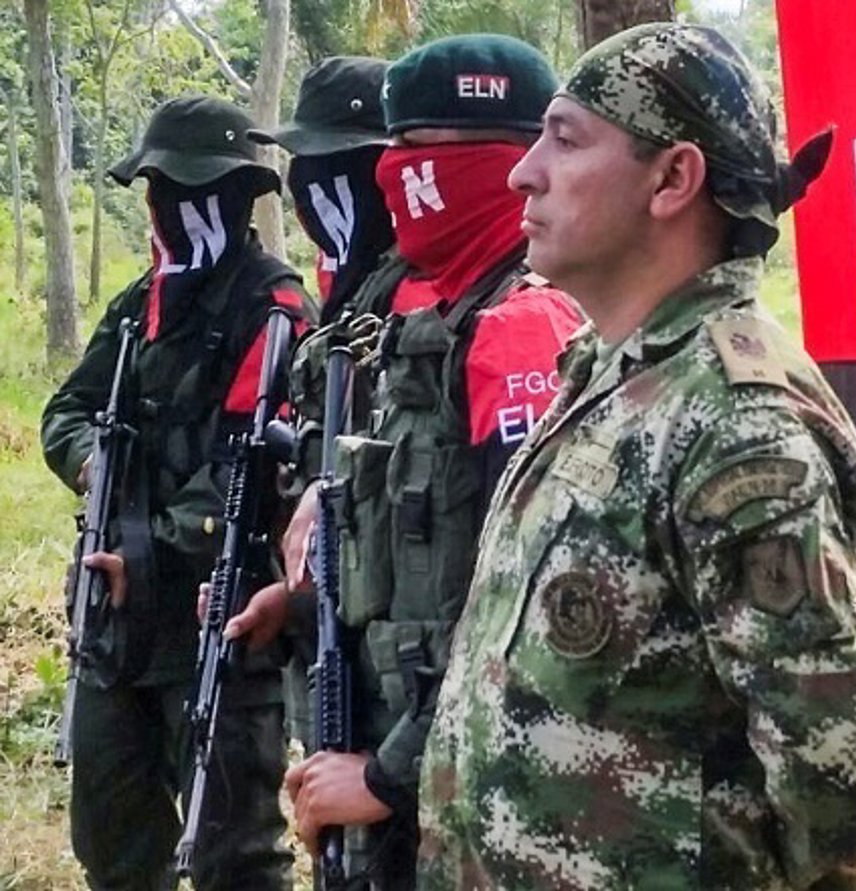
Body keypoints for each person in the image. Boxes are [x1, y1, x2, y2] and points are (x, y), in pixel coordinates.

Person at [417, 23, 856, 889]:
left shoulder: (734, 421)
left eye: (566, 138)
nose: (523, 172)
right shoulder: (612, 372)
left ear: (672, 180)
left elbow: (845, 770)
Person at [228, 35, 582, 889]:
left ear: (498, 162)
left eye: (416, 150)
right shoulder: (415, 314)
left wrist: (390, 776)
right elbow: (423, 536)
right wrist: (304, 599)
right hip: (401, 758)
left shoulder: (522, 326)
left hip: (474, 794)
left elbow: (539, 610)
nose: (395, 175)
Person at [41, 96, 315, 890]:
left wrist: (149, 547)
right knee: (113, 836)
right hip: (116, 627)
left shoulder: (275, 310)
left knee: (233, 854)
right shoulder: (139, 308)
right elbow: (67, 411)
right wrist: (98, 470)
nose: (172, 208)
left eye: (195, 190)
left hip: (218, 614)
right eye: (162, 190)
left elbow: (249, 466)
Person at [245, 54, 402, 748]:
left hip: (399, 677)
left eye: (330, 165)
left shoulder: (422, 300)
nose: (307, 186)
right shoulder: (345, 297)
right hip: (332, 641)